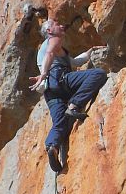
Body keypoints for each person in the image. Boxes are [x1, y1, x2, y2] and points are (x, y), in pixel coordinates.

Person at [30, 18, 108, 172]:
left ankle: (53, 146)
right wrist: (44, 73)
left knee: (61, 124)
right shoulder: (54, 40)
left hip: (51, 92)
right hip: (60, 79)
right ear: (49, 31)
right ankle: (74, 105)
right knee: (98, 74)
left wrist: (90, 51)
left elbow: (76, 62)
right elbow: (50, 54)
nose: (60, 25)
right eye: (56, 24)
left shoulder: (51, 49)